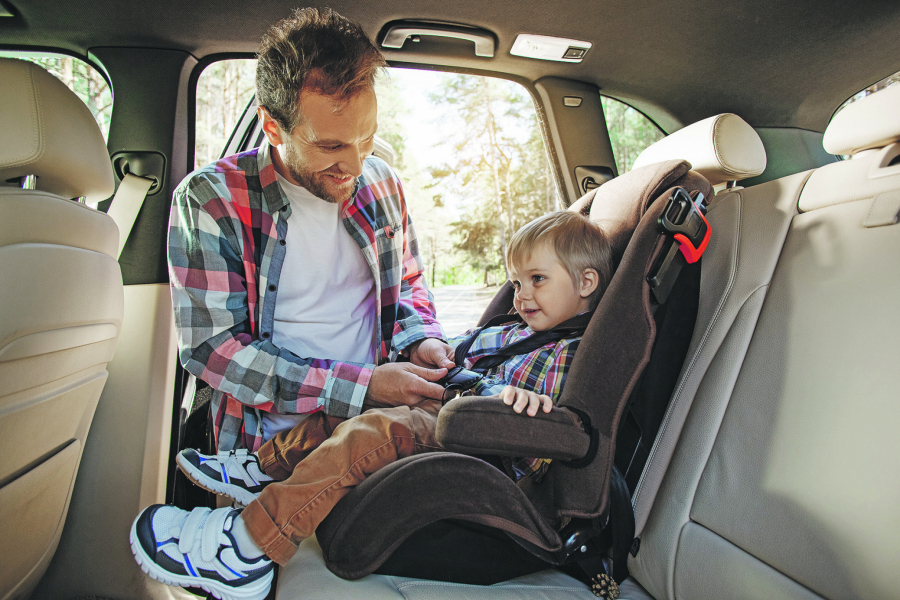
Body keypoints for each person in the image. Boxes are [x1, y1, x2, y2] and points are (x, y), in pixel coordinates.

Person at [130, 210, 613, 600]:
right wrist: (442, 352)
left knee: (371, 432)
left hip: (486, 443)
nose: (522, 294)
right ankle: (261, 469)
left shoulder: (570, 353)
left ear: (586, 283)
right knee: (348, 406)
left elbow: (547, 438)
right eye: (516, 281)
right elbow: (467, 351)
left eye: (537, 280)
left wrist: (527, 404)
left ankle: (249, 548)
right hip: (449, 406)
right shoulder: (514, 331)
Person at [167, 7, 456, 457]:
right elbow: (213, 349)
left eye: (366, 139)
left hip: (379, 427)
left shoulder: (381, 182)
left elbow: (409, 285)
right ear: (272, 127)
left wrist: (422, 338)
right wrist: (361, 387)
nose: (357, 166)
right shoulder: (210, 198)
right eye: (331, 145)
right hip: (266, 447)